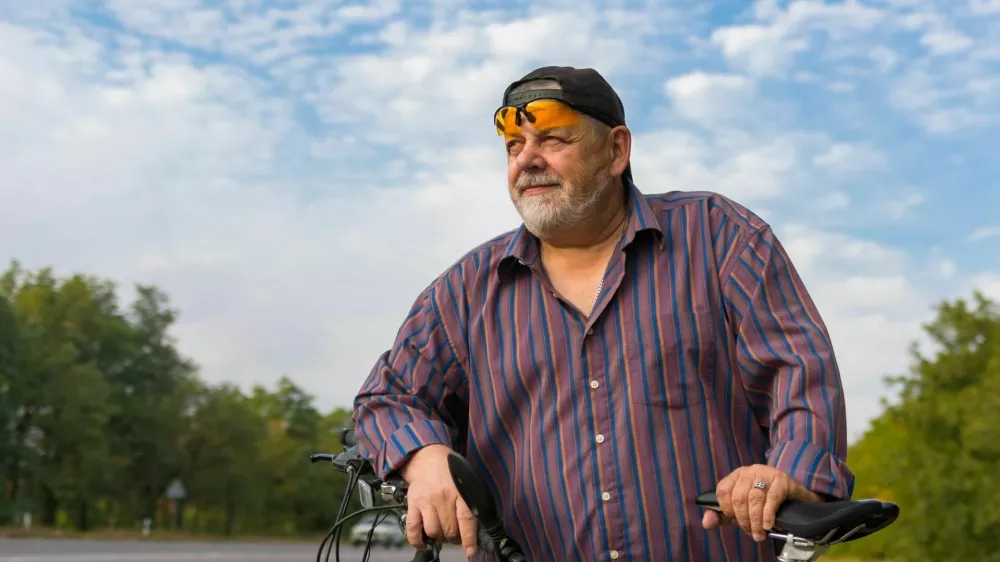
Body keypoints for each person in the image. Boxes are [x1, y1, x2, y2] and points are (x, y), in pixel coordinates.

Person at [352, 65, 855, 561]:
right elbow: (389, 395)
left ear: (617, 150)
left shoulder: (720, 236)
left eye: (552, 140)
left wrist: (792, 473)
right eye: (513, 146)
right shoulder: (465, 289)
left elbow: (798, 367)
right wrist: (425, 459)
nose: (527, 160)